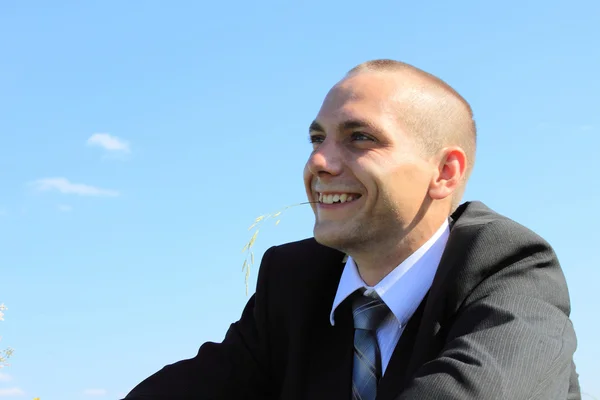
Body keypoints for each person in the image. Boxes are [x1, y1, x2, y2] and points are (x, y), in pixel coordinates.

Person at [123, 60, 580, 399]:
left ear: (444, 172)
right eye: (316, 139)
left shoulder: (511, 268)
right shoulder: (292, 280)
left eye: (360, 137)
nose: (319, 162)